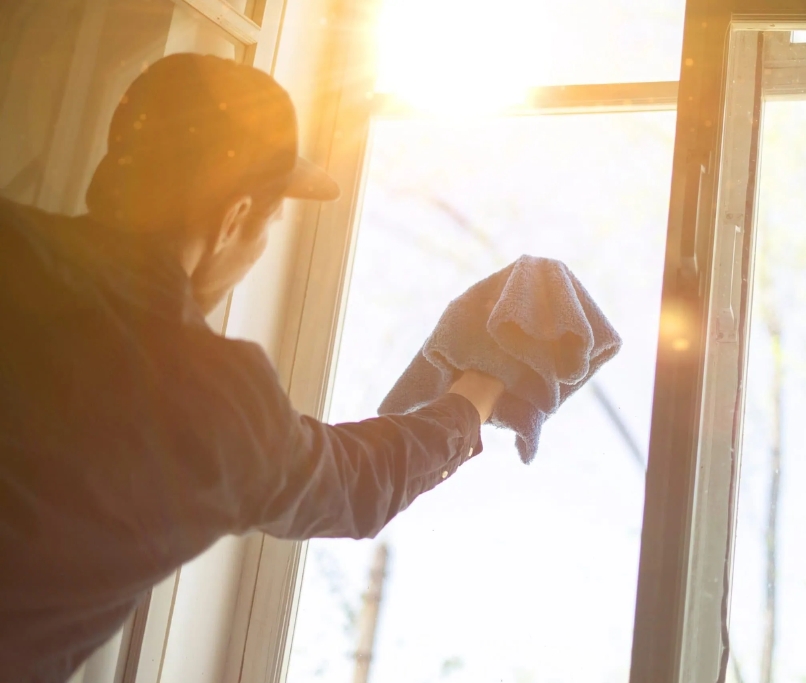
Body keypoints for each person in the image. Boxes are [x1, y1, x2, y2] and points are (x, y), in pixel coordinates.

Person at [0, 53, 505, 683]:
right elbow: (360, 482)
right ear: (232, 219)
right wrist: (479, 391)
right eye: (267, 225)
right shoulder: (212, 398)